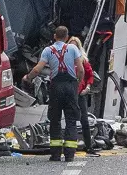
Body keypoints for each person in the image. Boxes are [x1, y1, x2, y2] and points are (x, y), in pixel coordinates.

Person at [23, 26, 86, 162]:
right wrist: (77, 84)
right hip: (70, 86)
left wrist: (28, 78)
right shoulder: (73, 49)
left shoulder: (48, 50)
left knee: (55, 120)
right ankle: (69, 155)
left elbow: (37, 69)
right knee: (71, 120)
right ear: (67, 37)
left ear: (54, 36)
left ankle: (56, 154)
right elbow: (80, 70)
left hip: (56, 87)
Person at [67, 36, 99, 157]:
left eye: (75, 45)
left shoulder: (83, 60)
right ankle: (71, 146)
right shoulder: (66, 60)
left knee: (84, 120)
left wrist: (87, 87)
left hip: (80, 94)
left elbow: (90, 75)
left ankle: (88, 146)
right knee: (71, 121)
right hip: (70, 94)